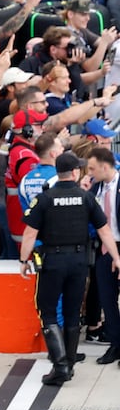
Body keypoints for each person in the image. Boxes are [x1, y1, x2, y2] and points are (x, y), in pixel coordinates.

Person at [20, 151, 120, 386]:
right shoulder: (86, 198)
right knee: (73, 312)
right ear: (75, 172)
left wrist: (24, 260)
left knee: (48, 311)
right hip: (79, 262)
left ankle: (61, 365)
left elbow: (30, 232)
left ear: (58, 172)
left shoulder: (44, 198)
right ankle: (70, 362)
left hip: (53, 262)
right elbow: (104, 230)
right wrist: (116, 256)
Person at [86, 148, 120, 365]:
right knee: (107, 300)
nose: (89, 172)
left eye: (92, 168)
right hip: (104, 250)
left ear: (104, 166)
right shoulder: (95, 188)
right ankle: (116, 344)